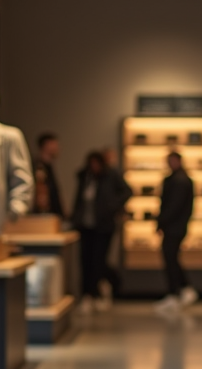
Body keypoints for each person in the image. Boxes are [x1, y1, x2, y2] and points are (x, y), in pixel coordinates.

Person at [71, 150, 132, 312]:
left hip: (103, 226)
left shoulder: (110, 176)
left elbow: (127, 191)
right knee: (85, 260)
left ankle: (97, 292)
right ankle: (88, 295)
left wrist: (112, 207)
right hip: (85, 226)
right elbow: (79, 201)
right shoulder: (85, 177)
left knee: (99, 261)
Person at [154, 152, 197, 313]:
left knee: (170, 257)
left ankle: (178, 291)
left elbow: (173, 206)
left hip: (174, 227)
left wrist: (161, 221)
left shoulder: (179, 181)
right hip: (175, 226)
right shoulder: (179, 179)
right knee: (171, 258)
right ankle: (182, 290)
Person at [33, 132, 66, 221]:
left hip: (52, 217)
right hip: (43, 218)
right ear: (46, 145)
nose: (58, 148)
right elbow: (42, 197)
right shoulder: (39, 168)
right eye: (55, 144)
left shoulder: (49, 167)